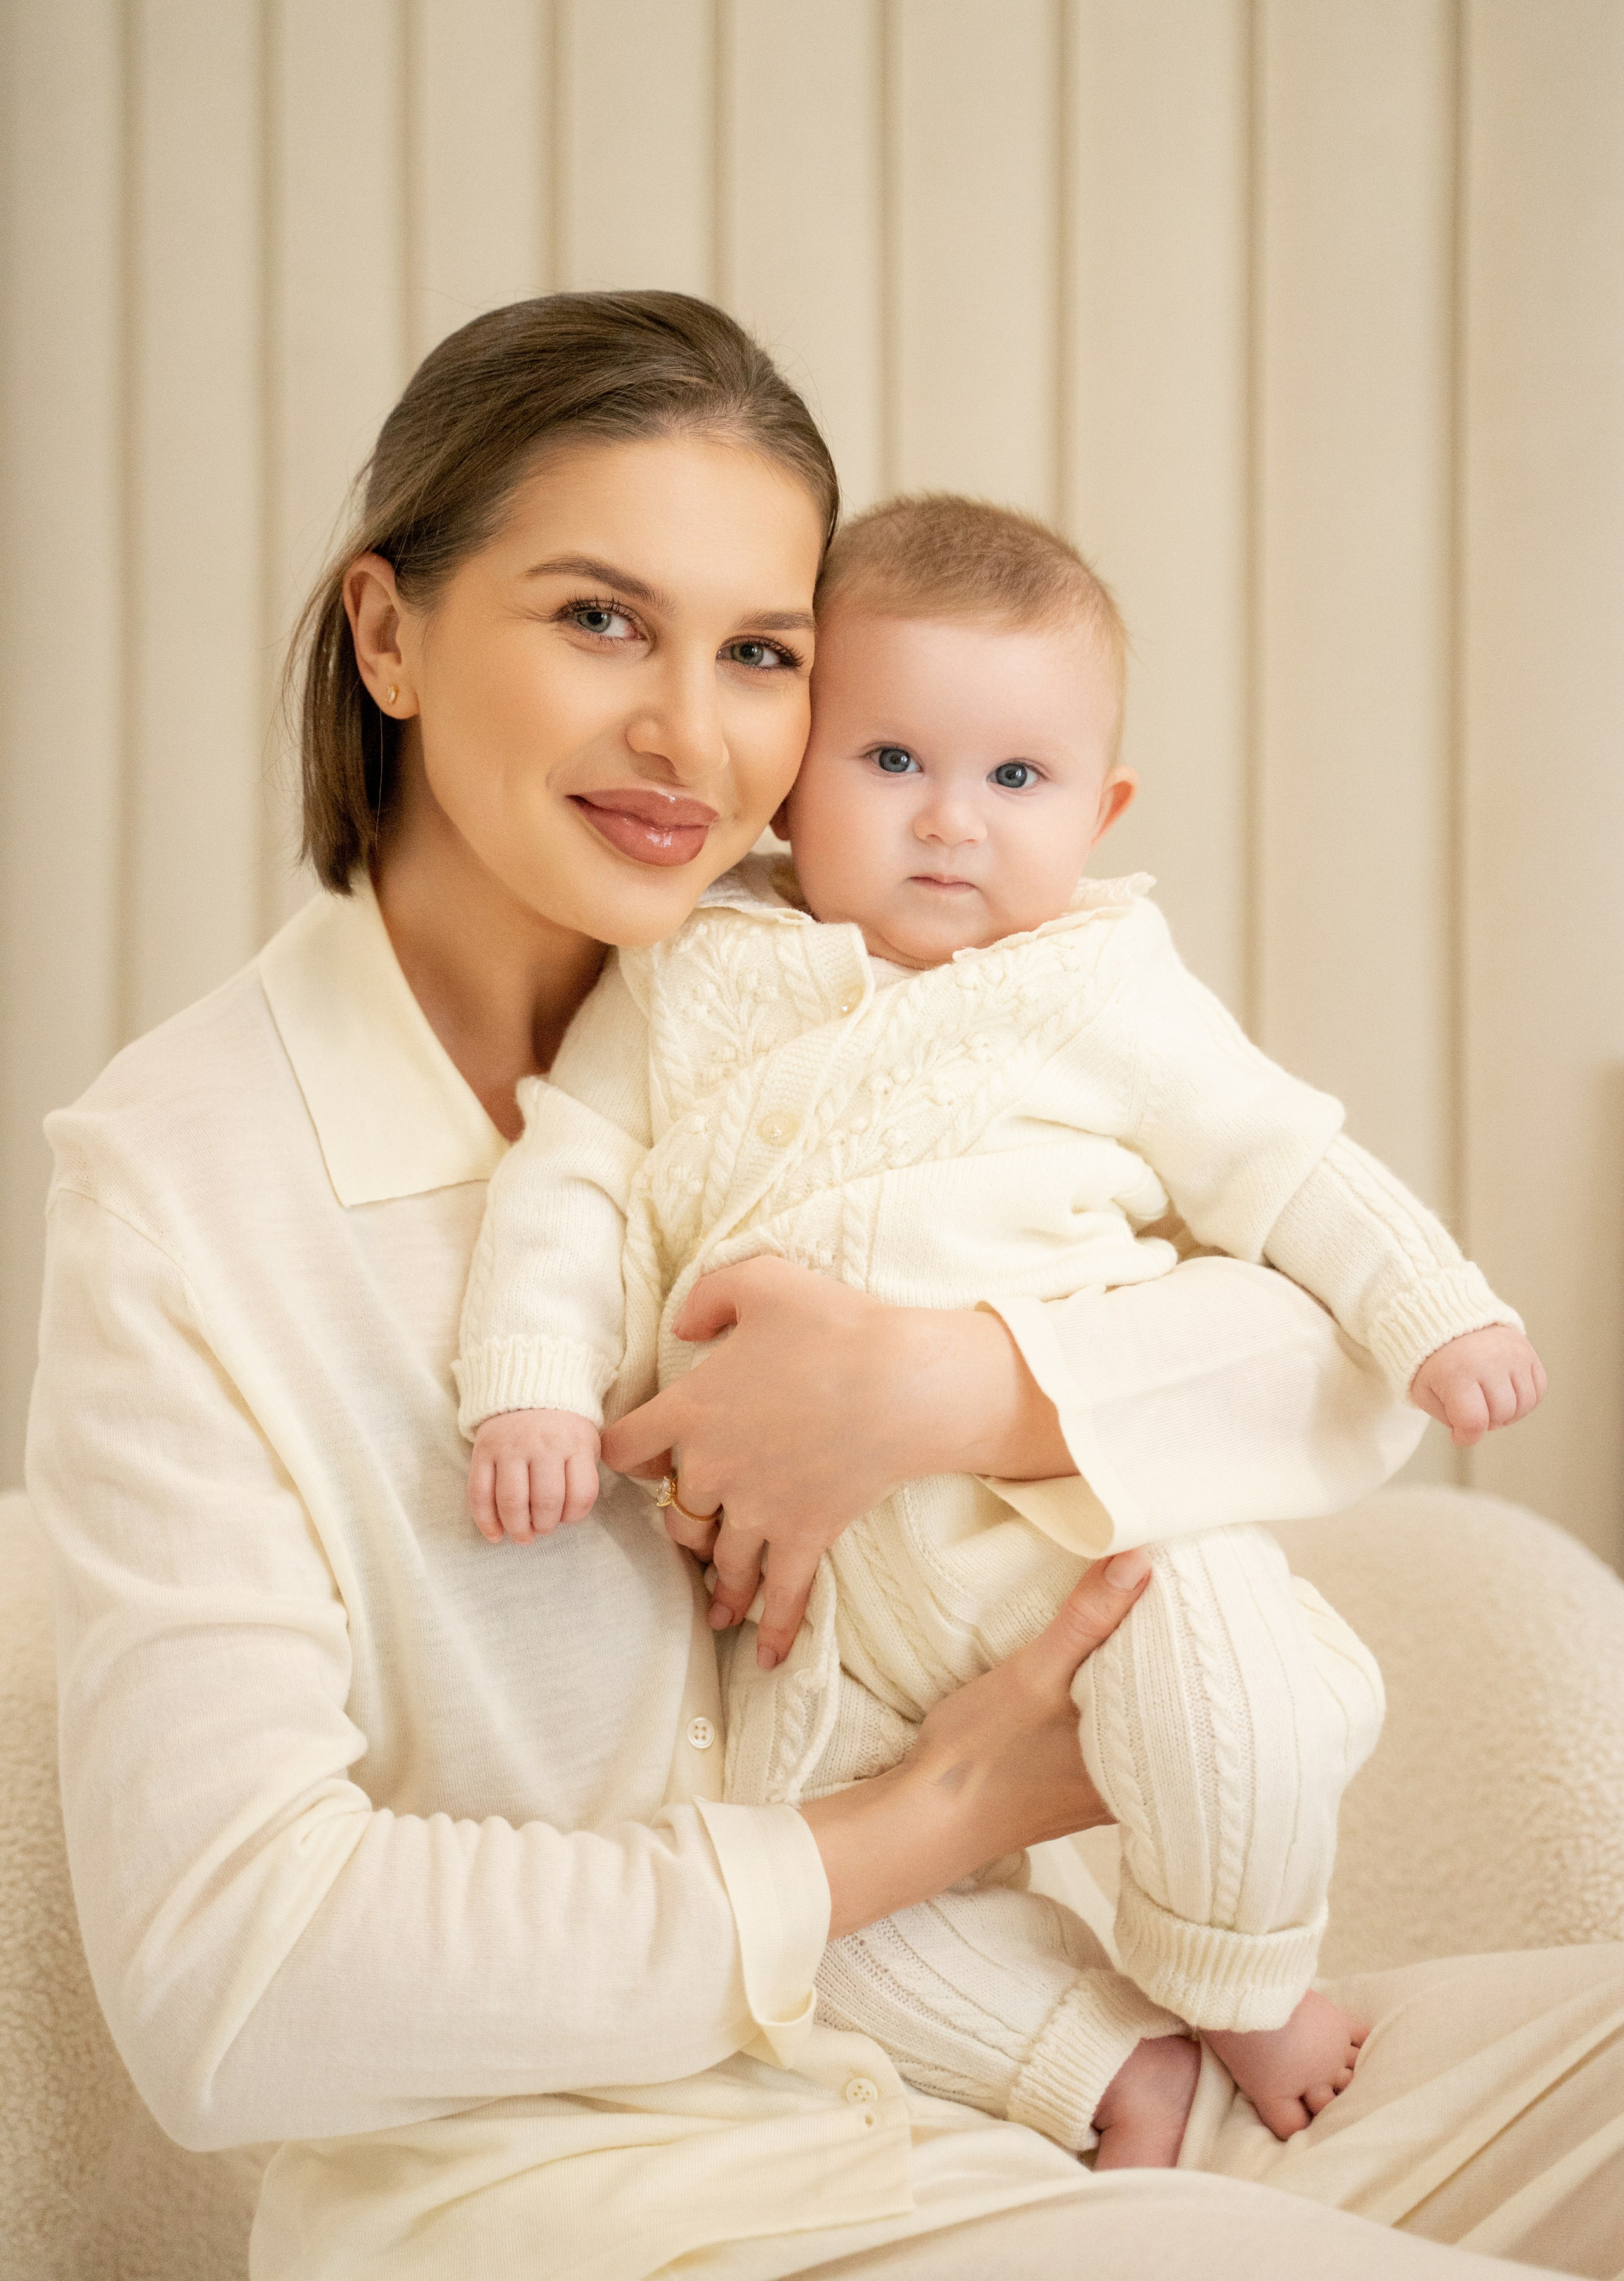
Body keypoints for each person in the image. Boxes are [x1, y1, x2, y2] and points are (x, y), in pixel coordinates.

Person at [22, 292, 1621, 2281]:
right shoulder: (188, 1194)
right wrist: (923, 1826)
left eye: (761, 652)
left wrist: (948, 1392)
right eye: (600, 618)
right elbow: (233, 1989)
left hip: (1072, 2085)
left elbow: (1355, 1365)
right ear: (390, 634)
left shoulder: (851, 1009)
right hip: (609, 2200)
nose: (692, 735)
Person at [452, 492, 1543, 2166]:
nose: (952, 822)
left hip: (1074, 1531)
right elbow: (571, 1182)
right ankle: (1102, 2062)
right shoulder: (687, 979)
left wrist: (1434, 1309)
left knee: (1226, 1684)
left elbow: (1291, 1170)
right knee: (792, 1898)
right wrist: (528, 1384)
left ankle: (1240, 1976)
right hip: (801, 1618)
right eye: (891, 763)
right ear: (794, 768)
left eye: (1015, 780)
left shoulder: (1106, 988)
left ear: (1099, 808)